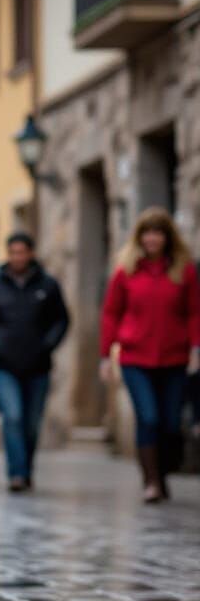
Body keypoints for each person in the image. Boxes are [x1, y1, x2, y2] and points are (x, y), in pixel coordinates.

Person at [100, 207, 200, 502]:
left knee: (170, 422)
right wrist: (106, 356)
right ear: (140, 237)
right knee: (149, 417)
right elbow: (111, 314)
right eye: (147, 233)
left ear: (167, 238)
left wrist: (196, 347)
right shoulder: (126, 270)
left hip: (174, 357)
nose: (152, 239)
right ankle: (151, 482)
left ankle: (163, 471)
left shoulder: (184, 270)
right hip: (135, 358)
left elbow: (195, 312)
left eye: (158, 233)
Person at [0, 232, 69, 492]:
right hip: (4, 365)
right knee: (12, 417)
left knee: (31, 423)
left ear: (31, 253)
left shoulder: (47, 285)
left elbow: (62, 320)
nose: (18, 257)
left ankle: (27, 470)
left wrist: (48, 343)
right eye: (13, 252)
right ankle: (16, 474)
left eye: (22, 252)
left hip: (38, 365)